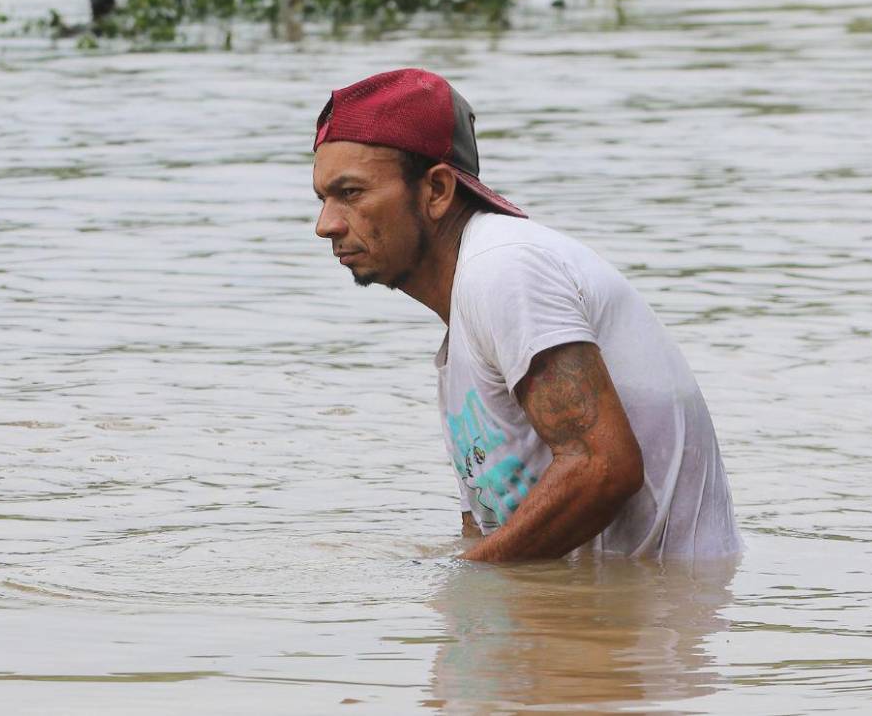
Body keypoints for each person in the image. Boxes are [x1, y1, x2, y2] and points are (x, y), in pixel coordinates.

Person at [312, 68, 741, 562]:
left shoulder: (504, 269)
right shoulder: (466, 326)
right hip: (614, 619)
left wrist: (460, 576)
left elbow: (603, 467)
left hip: (658, 620)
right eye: (322, 199)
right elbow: (494, 530)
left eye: (351, 193)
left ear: (436, 191)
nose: (326, 225)